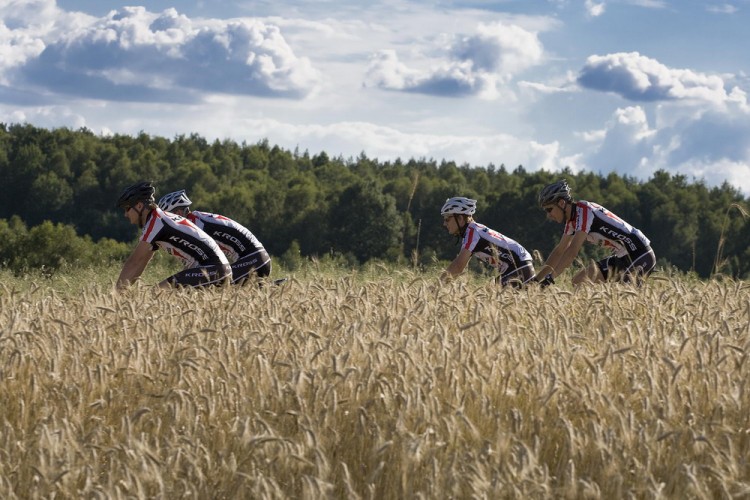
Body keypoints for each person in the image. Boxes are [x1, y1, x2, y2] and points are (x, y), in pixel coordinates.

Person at [534, 179, 655, 286]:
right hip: (622, 256)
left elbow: (572, 251)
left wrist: (550, 278)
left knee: (623, 297)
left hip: (640, 253)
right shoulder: (571, 221)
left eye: (549, 209)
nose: (548, 215)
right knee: (579, 281)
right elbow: (560, 250)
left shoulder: (584, 211)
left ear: (561, 203)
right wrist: (535, 280)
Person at [115, 181, 232, 290]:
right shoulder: (159, 219)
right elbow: (142, 261)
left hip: (212, 270)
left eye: (127, 208)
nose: (125, 214)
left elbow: (134, 262)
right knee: (161, 295)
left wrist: (116, 295)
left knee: (156, 294)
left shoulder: (156, 222)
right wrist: (124, 290)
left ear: (139, 206)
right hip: (220, 270)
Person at [157, 189, 271, 286]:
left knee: (217, 285)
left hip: (252, 260)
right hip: (258, 258)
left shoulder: (196, 225)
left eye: (169, 215)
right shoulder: (198, 219)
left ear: (178, 212)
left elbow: (202, 263)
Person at [440, 196, 535, 287]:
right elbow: (461, 267)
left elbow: (458, 266)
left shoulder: (473, 232)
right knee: (487, 295)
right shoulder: (472, 231)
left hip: (520, 266)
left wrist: (435, 288)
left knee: (488, 298)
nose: (444, 223)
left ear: (460, 219)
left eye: (447, 219)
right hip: (518, 267)